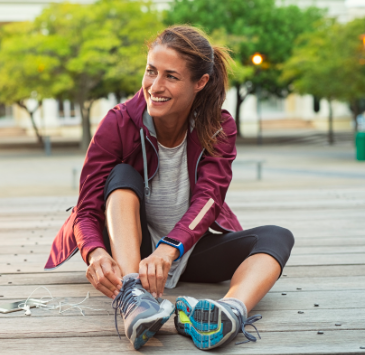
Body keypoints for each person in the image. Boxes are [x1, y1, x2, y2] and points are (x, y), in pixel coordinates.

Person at [45, 25, 294, 351]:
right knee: (121, 175)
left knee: (277, 236)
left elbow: (210, 199)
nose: (155, 86)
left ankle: (230, 311)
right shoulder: (118, 123)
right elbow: (87, 208)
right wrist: (95, 251)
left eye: (171, 77)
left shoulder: (218, 126)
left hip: (185, 249)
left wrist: (169, 248)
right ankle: (133, 298)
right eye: (151, 72)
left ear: (200, 83)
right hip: (131, 253)